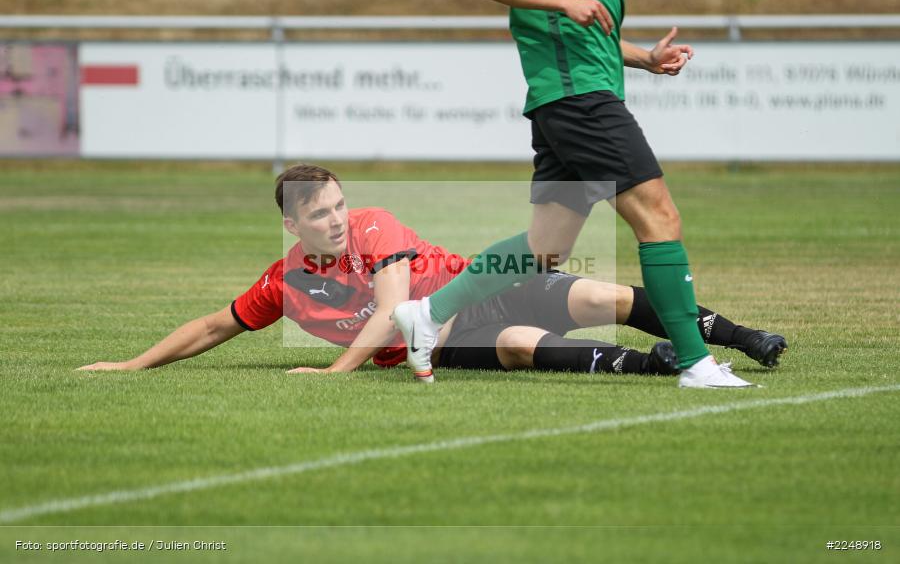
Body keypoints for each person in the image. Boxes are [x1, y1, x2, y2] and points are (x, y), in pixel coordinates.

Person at [392, 0, 761, 388]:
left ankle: (428, 313)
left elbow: (585, 32)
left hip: (567, 100)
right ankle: (696, 365)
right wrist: (566, 0)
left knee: (545, 247)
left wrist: (646, 58)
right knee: (659, 219)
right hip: (579, 99)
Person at [79, 165, 786, 378]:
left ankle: (743, 337)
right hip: (443, 339)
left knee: (602, 293)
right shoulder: (284, 283)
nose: (335, 218)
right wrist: (131, 365)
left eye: (337, 204)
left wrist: (334, 373)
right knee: (517, 348)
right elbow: (213, 325)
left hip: (477, 288)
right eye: (318, 213)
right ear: (292, 226)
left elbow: (392, 302)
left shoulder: (374, 225)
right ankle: (660, 367)